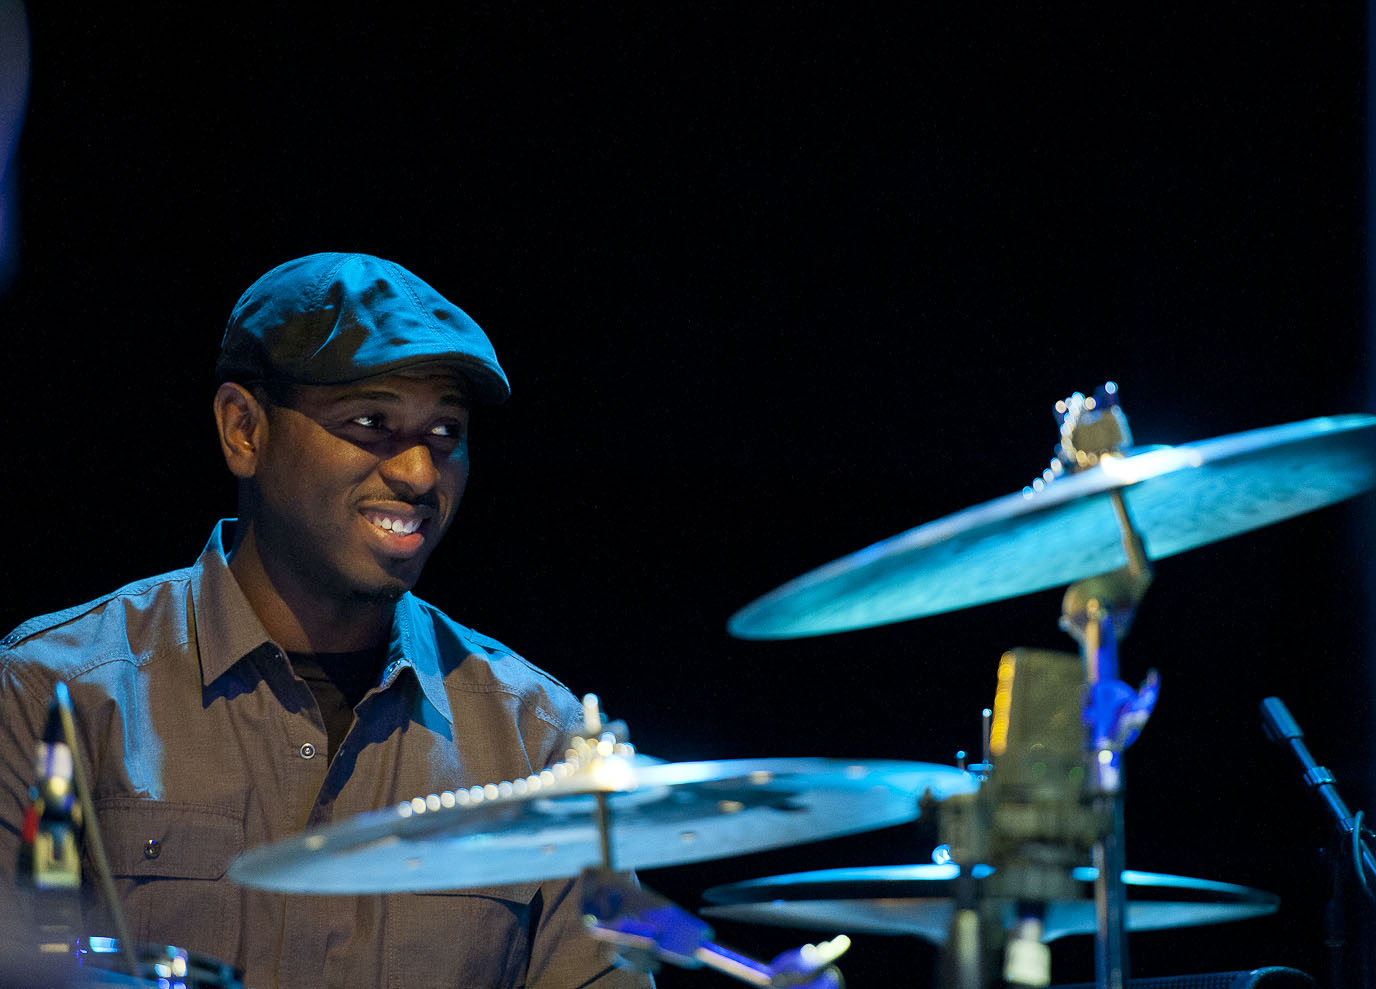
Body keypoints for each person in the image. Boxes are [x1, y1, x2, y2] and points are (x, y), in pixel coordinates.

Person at [0, 252, 652, 987]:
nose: (418, 473)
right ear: (243, 429)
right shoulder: (50, 691)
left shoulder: (542, 739)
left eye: (445, 431)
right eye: (371, 420)